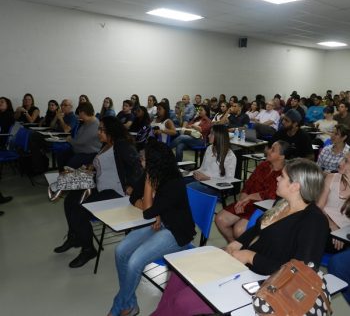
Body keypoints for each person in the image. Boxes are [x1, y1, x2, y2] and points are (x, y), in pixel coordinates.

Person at [152, 158, 329, 316]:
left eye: (282, 177)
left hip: (265, 280)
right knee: (179, 275)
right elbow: (258, 228)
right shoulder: (282, 203)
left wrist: (249, 256)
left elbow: (301, 273)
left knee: (183, 303)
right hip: (243, 264)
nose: (277, 178)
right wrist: (237, 243)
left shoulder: (314, 222)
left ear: (295, 186)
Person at [108, 140, 196, 316]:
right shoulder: (153, 172)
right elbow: (133, 197)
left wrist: (152, 205)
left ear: (154, 162)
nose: (140, 162)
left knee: (135, 261)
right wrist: (157, 213)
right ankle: (130, 302)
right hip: (161, 223)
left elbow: (147, 212)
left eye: (144, 159)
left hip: (177, 232)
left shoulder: (173, 181)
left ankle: (120, 304)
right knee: (121, 251)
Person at [54, 116, 143, 268]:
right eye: (99, 129)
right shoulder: (106, 144)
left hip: (116, 192)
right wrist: (89, 168)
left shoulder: (121, 145)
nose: (98, 132)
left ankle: (88, 249)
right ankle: (74, 236)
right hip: (101, 187)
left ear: (112, 131)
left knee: (79, 210)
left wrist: (131, 186)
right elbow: (103, 165)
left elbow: (138, 167)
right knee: (70, 200)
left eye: (102, 130)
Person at [215, 140, 291, 241]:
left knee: (239, 230)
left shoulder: (285, 173)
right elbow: (248, 184)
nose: (268, 151)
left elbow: (271, 194)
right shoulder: (263, 165)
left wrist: (249, 197)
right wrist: (242, 201)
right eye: (270, 148)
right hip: (248, 202)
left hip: (262, 208)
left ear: (282, 156)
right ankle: (234, 247)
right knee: (220, 219)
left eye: (273, 150)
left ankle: (241, 250)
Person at [186, 124, 236, 193]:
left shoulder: (230, 156)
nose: (209, 136)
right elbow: (202, 168)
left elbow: (229, 181)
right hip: (203, 180)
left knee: (187, 189)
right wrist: (194, 172)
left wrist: (208, 178)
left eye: (211, 134)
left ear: (219, 137)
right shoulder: (209, 148)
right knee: (178, 182)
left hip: (214, 186)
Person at [318, 152, 350, 253]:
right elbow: (319, 206)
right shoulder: (331, 178)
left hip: (344, 231)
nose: (340, 162)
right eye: (342, 158)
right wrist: (333, 226)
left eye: (346, 161)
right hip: (324, 220)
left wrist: (340, 232)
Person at [57, 102, 101, 171]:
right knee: (61, 154)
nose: (78, 115)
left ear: (83, 112)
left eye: (79, 113)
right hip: (79, 150)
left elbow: (80, 141)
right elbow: (78, 137)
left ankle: (67, 178)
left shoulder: (95, 124)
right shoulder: (86, 122)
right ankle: (62, 177)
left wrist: (70, 140)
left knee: (70, 165)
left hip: (89, 153)